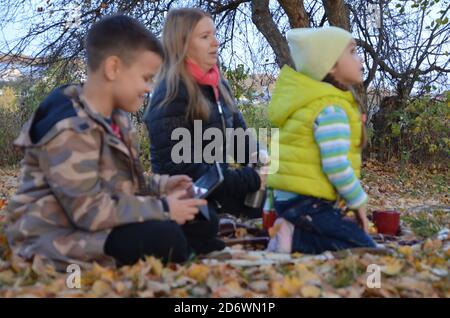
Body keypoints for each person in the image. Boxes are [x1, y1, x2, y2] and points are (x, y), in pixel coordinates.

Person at [6, 15, 209, 271]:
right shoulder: (69, 129)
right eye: (146, 78)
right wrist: (164, 207)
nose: (148, 89)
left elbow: (120, 182)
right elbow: (89, 212)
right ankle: (181, 248)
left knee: (200, 220)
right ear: (113, 68)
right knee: (164, 237)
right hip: (52, 235)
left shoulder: (115, 117)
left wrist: (163, 185)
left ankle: (188, 244)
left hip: (94, 220)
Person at [144, 7, 267, 230]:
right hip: (190, 198)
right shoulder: (170, 95)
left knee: (287, 196)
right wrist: (251, 179)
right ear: (181, 45)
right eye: (205, 37)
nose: (216, 42)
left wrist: (262, 161)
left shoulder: (219, 86)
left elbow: (241, 140)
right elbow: (185, 170)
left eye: (214, 34)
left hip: (221, 189)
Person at [266, 27, 376, 254]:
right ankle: (293, 236)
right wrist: (358, 203)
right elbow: (335, 165)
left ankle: (291, 231)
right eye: (353, 52)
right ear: (331, 65)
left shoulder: (311, 102)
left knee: (342, 234)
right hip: (306, 203)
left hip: (290, 200)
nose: (360, 59)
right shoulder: (331, 108)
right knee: (363, 246)